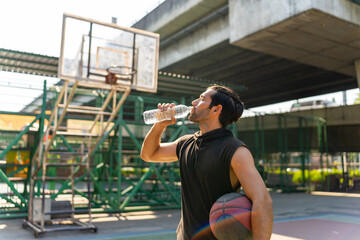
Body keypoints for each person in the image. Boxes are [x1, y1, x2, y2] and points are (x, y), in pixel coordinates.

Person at [140, 85, 273, 240]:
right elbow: (149, 154)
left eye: (202, 99)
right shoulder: (185, 143)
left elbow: (262, 201)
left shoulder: (235, 151)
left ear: (216, 110)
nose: (194, 102)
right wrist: (160, 124)